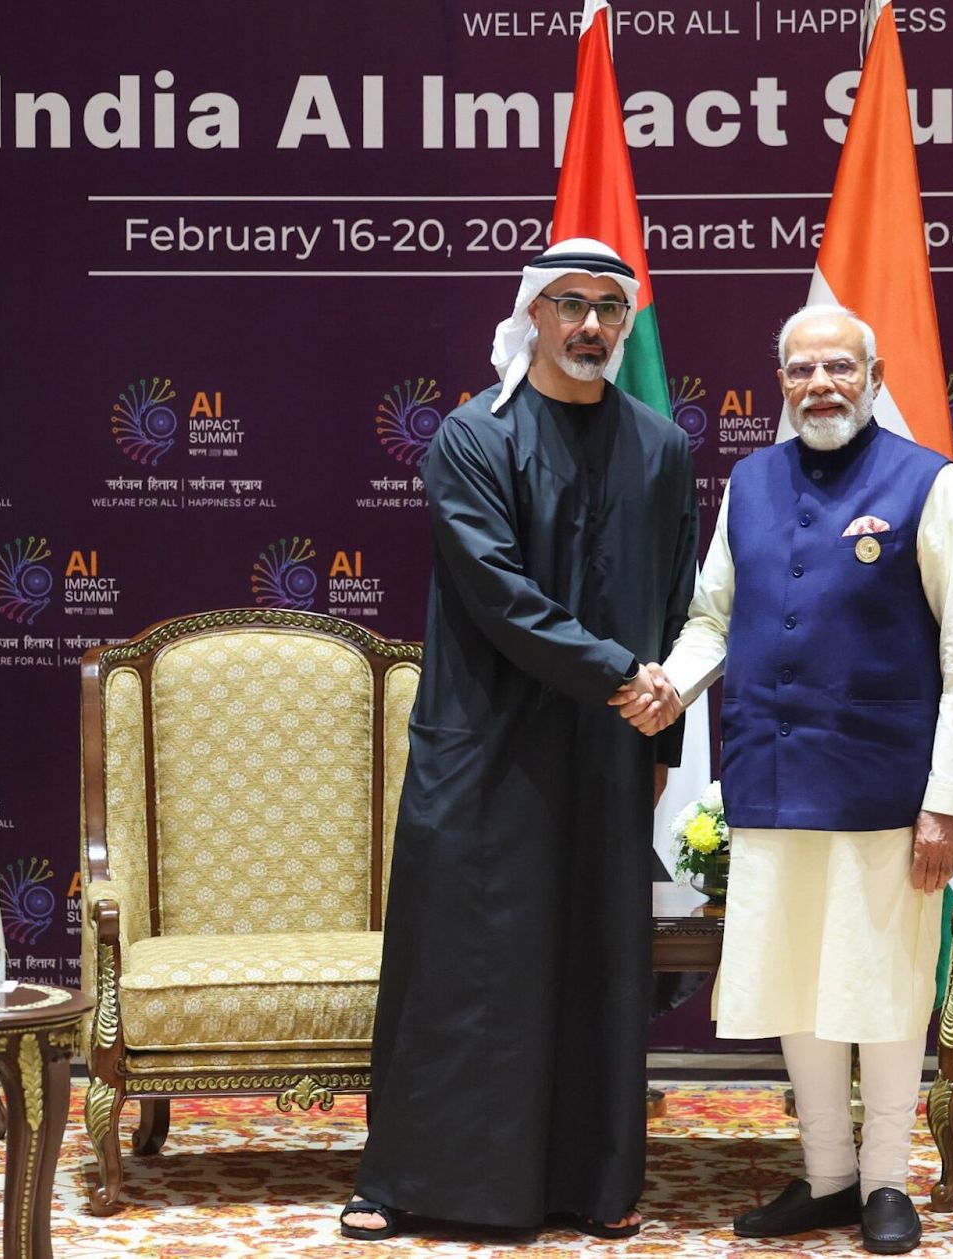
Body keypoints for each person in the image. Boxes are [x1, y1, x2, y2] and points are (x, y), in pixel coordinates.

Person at [615, 304, 953, 1254]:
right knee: (800, 980)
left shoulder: (929, 483)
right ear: (780, 383)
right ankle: (828, 1176)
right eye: (800, 370)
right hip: (773, 779)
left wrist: (945, 801)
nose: (820, 385)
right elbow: (712, 618)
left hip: (887, 792)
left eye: (839, 367)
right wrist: (672, 686)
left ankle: (887, 1179)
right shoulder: (749, 483)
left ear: (874, 379)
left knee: (886, 986)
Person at [343, 238, 698, 1242]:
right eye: (570, 304)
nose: (590, 325)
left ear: (625, 324)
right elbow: (498, 594)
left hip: (609, 747)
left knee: (594, 960)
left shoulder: (661, 446)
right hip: (485, 744)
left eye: (609, 309)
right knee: (463, 962)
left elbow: (675, 598)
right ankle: (410, 1180)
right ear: (533, 315)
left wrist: (663, 723)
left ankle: (590, 1184)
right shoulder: (473, 437)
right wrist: (624, 676)